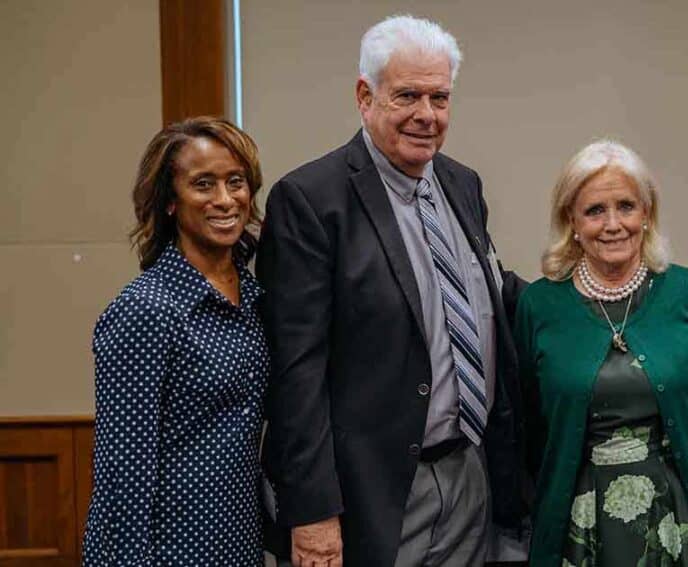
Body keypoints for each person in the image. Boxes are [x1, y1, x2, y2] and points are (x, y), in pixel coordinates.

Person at [257, 15, 528, 567]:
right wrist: (312, 512)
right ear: (365, 95)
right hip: (370, 495)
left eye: (440, 97)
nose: (426, 115)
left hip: (469, 476)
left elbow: (489, 298)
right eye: (407, 95)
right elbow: (296, 372)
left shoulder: (462, 183)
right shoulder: (311, 200)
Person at [514, 140, 688, 567]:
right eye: (595, 211)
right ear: (572, 222)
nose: (613, 224)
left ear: (647, 213)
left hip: (678, 512)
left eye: (626, 206)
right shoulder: (540, 305)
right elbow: (531, 421)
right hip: (576, 520)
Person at [82, 117, 268, 565]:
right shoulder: (146, 309)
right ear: (169, 201)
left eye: (235, 182)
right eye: (203, 184)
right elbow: (122, 468)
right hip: (167, 550)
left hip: (239, 542)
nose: (225, 200)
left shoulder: (258, 298)